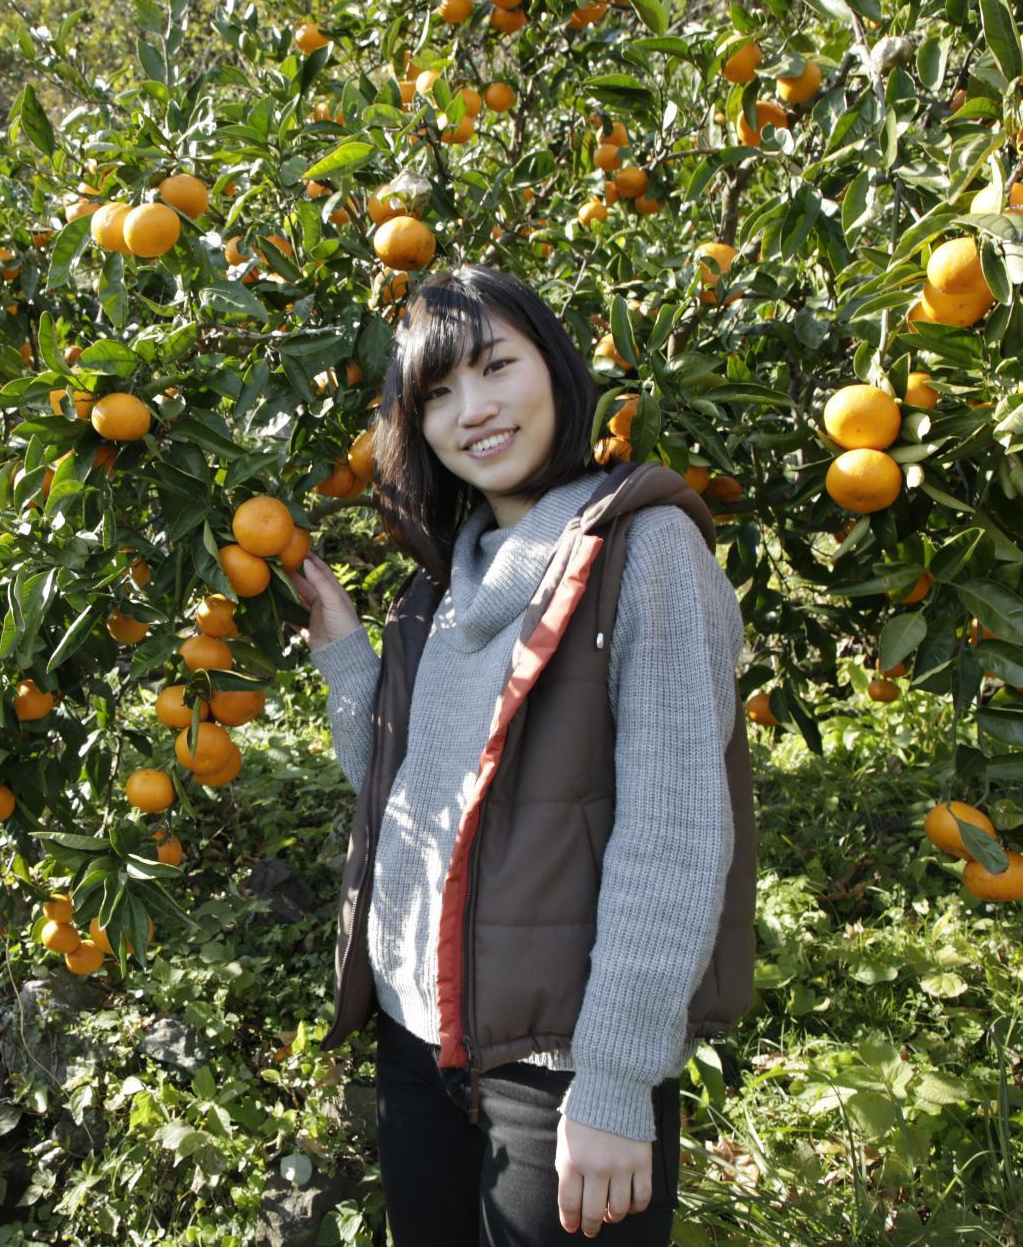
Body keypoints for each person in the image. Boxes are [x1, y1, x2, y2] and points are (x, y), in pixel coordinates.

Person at [291, 266, 757, 1244]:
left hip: (559, 1070)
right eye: (437, 394)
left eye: (496, 367)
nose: (474, 410)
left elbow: (674, 829)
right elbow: (404, 793)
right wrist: (341, 643)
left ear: (554, 367)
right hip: (417, 1047)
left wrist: (617, 1078)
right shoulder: (440, 588)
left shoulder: (645, 548)